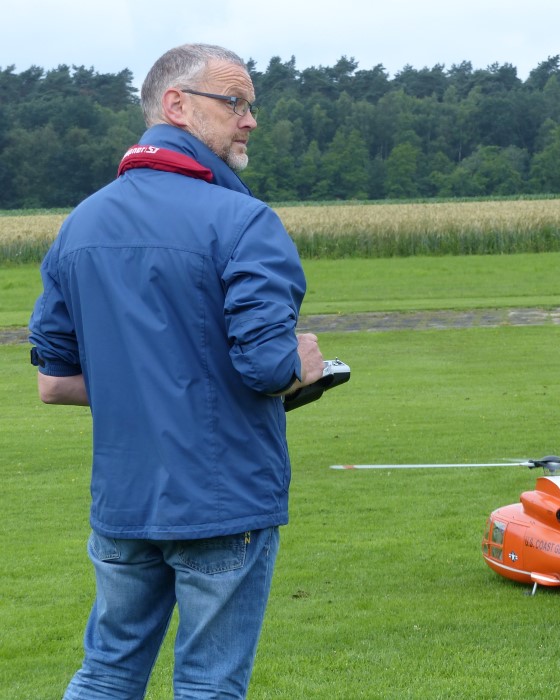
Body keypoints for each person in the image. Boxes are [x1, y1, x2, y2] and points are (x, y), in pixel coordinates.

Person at [28, 43, 324, 698]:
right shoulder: (245, 221)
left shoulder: (79, 225)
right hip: (223, 501)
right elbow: (266, 367)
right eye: (235, 102)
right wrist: (304, 365)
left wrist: (145, 382)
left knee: (106, 672)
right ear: (177, 105)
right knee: (208, 685)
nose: (250, 120)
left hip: (124, 502)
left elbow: (54, 382)